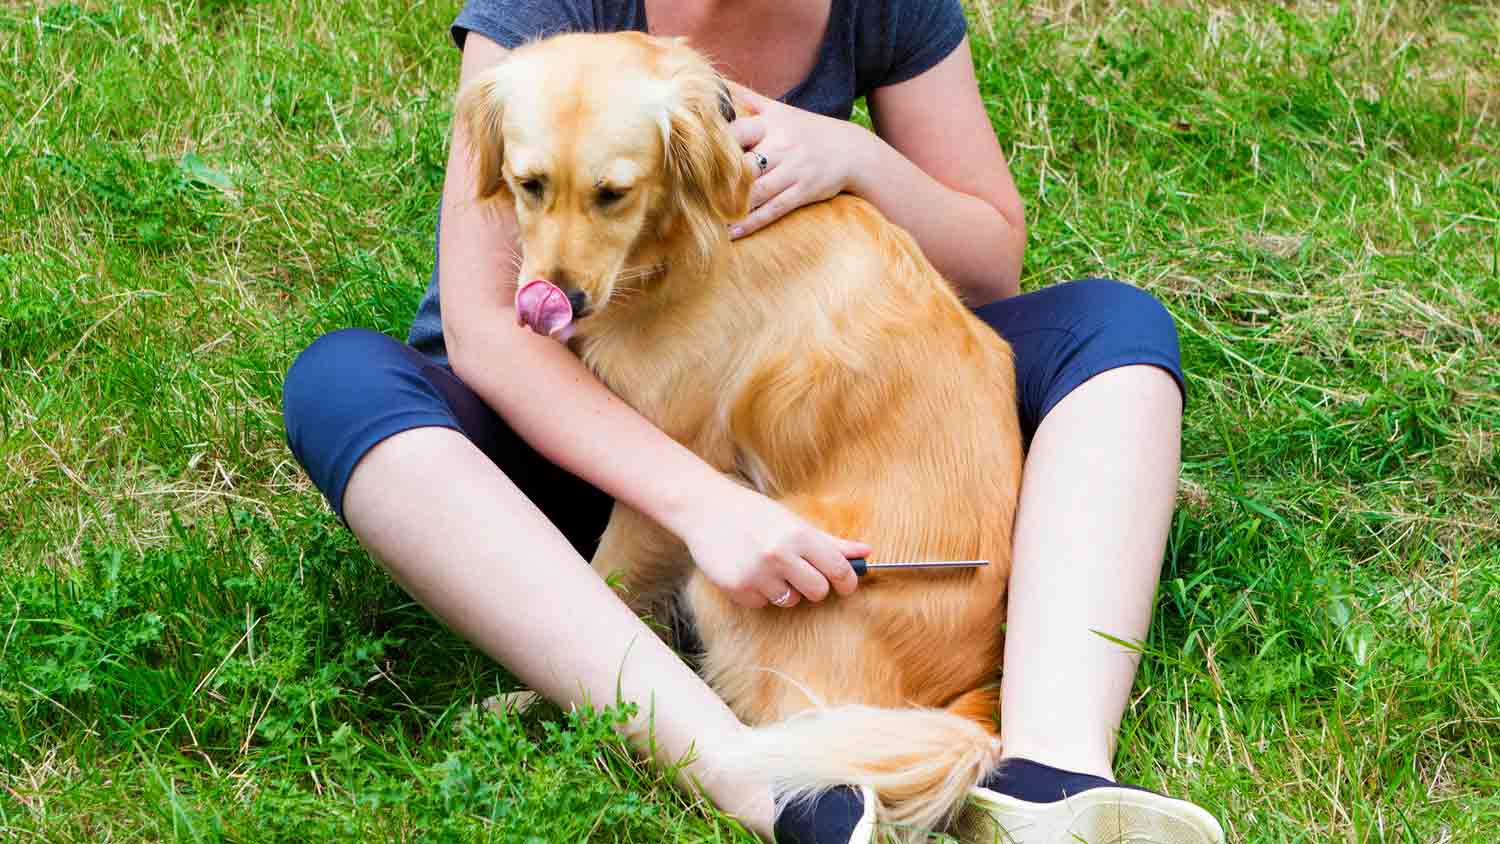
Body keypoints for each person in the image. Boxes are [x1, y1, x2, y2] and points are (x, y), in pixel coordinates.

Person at [281, 1, 1226, 841]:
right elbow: (490, 330)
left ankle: (1052, 768)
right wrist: (704, 504)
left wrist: (855, 155)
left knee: (1117, 321)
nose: (555, 247)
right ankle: (758, 780)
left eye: (610, 194)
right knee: (338, 382)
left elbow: (991, 265)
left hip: (789, 439)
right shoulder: (539, 29)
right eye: (534, 190)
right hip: (525, 456)